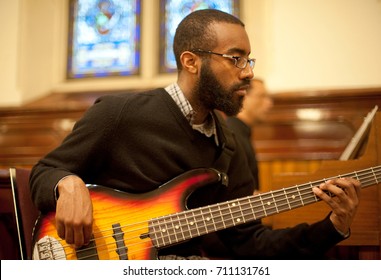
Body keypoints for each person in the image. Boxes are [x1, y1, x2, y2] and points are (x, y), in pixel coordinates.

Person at [30, 9, 361, 260]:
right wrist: (66, 184)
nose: (248, 72)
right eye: (236, 58)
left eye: (248, 60)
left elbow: (248, 243)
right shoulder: (120, 113)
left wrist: (332, 226)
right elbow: (45, 172)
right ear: (191, 61)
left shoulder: (231, 144)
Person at [226, 78, 273, 190]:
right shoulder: (232, 135)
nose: (269, 103)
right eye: (262, 96)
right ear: (243, 97)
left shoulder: (239, 131)